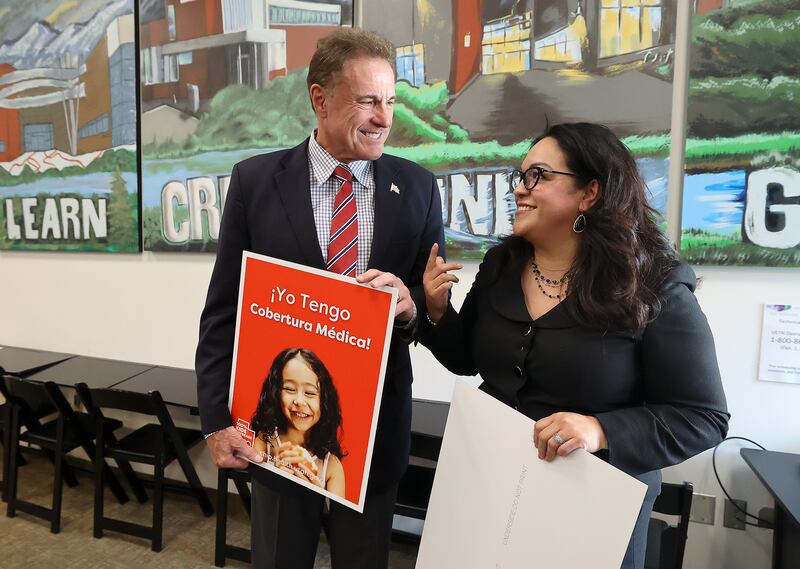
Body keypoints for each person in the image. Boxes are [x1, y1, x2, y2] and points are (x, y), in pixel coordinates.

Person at [420, 122, 729, 569]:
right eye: (519, 176)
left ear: (589, 194)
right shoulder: (500, 264)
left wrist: (600, 430)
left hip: (594, 504)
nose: (519, 191)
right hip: (492, 483)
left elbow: (703, 417)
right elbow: (468, 359)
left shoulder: (654, 283)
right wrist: (436, 311)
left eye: (538, 176)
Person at [195, 28, 444, 569]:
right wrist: (215, 420)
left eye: (391, 101)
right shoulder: (256, 182)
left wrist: (409, 309)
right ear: (319, 99)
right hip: (277, 434)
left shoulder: (419, 189)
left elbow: (430, 316)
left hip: (374, 438)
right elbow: (223, 313)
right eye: (368, 102)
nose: (385, 118)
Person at [251, 348, 346, 499]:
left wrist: (316, 492)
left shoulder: (332, 466)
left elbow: (337, 518)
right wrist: (273, 474)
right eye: (289, 389)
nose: (299, 401)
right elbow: (258, 493)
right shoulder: (265, 441)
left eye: (309, 392)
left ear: (325, 400)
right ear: (276, 392)